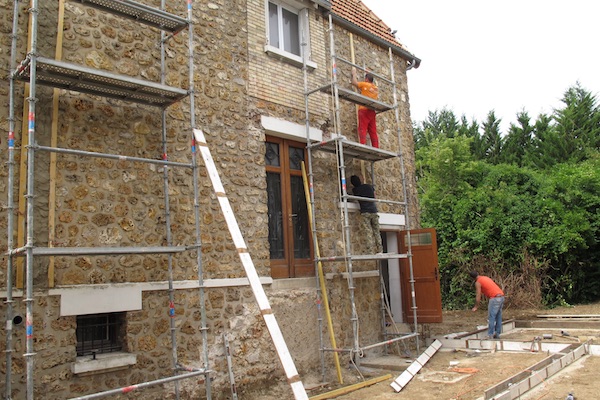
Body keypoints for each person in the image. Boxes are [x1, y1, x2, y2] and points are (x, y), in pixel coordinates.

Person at [350, 175, 383, 254]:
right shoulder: (369, 186)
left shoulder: (355, 190)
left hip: (365, 212)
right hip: (374, 211)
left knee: (368, 232)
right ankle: (380, 250)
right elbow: (375, 196)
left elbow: (357, 199)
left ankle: (370, 251)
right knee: (376, 231)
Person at [470, 271, 505, 339]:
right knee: (498, 316)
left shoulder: (478, 282)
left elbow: (478, 295)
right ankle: (497, 334)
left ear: (472, 278)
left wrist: (476, 306)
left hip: (494, 298)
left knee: (491, 317)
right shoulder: (485, 278)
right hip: (501, 297)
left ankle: (490, 334)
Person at [351, 67, 379, 148]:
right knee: (373, 130)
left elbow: (354, 82)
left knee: (362, 128)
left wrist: (354, 73)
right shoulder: (375, 88)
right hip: (372, 111)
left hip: (364, 110)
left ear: (366, 79)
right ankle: (376, 147)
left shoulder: (365, 84)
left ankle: (362, 144)